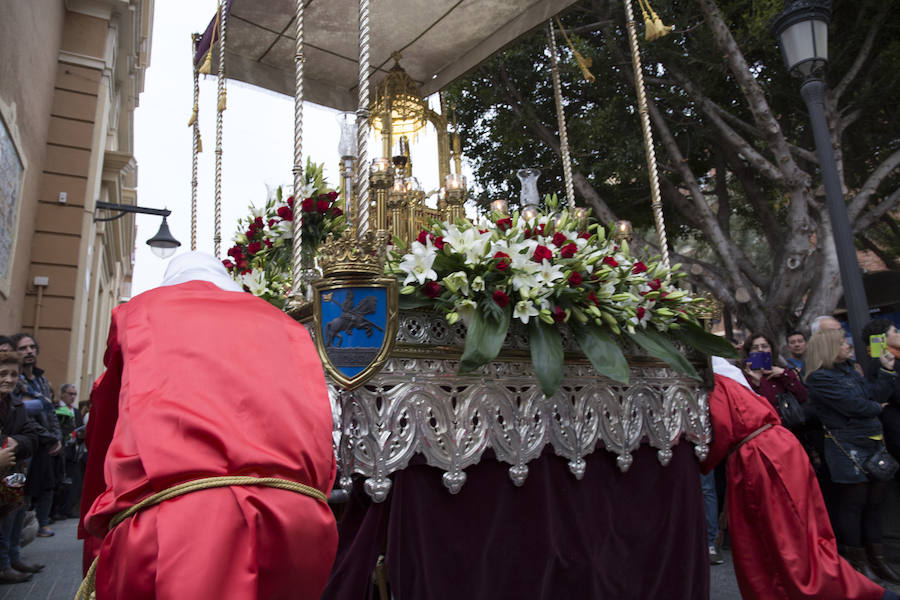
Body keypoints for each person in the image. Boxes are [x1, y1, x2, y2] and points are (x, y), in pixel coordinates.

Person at [79, 252, 338, 600]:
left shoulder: (141, 311)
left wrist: (98, 513)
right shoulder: (286, 323)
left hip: (188, 518)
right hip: (299, 516)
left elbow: (108, 408)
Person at [702, 356, 898, 600]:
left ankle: (855, 592)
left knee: (785, 540)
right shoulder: (728, 378)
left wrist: (698, 463)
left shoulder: (716, 382)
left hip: (761, 458)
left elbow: (720, 430)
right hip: (776, 450)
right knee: (805, 533)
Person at [805, 329, 899, 585]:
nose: (848, 346)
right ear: (829, 348)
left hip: (872, 442)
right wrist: (874, 408)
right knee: (853, 504)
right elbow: (858, 405)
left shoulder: (849, 370)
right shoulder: (819, 378)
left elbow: (875, 395)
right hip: (847, 448)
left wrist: (887, 371)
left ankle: (877, 562)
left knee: (874, 503)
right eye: (842, 343)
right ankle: (857, 566)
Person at [0, 348, 50, 584]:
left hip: (8, 482)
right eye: (3, 374)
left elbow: (31, 437)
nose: (8, 379)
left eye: (13, 374)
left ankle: (6, 563)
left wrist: (16, 442)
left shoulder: (16, 406)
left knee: (7, 522)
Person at [11, 334, 62, 538]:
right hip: (27, 443)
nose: (29, 351)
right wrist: (47, 437)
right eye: (23, 348)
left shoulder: (41, 380)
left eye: (32, 347)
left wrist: (56, 437)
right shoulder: (14, 379)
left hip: (45, 443)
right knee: (18, 495)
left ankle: (40, 525)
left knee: (43, 487)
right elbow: (23, 417)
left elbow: (51, 413)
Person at [741, 332, 808, 414]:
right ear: (749, 352)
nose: (760, 350)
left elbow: (802, 397)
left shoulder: (783, 371)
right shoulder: (743, 377)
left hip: (790, 423)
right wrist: (756, 384)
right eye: (755, 347)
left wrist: (784, 374)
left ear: (771, 349)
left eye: (764, 346)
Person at [52, 383, 83, 520]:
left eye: (74, 394)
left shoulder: (75, 412)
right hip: (60, 450)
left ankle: (67, 508)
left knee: (74, 481)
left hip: (73, 451)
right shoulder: (56, 408)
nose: (72, 397)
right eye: (70, 394)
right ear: (62, 394)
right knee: (59, 481)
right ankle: (55, 510)